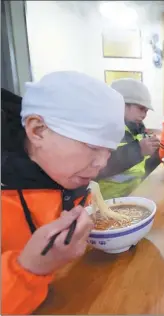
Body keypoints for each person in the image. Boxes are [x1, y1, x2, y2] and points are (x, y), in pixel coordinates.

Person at [1, 71, 126, 314]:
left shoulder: (71, 179)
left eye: (109, 151)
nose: (102, 163)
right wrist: (29, 268)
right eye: (92, 146)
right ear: (38, 130)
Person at [97, 78, 160, 199]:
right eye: (141, 109)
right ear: (121, 105)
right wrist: (139, 150)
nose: (144, 115)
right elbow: (100, 168)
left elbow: (144, 165)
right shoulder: (104, 130)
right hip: (109, 200)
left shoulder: (138, 128)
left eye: (146, 111)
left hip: (135, 193)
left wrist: (155, 153)